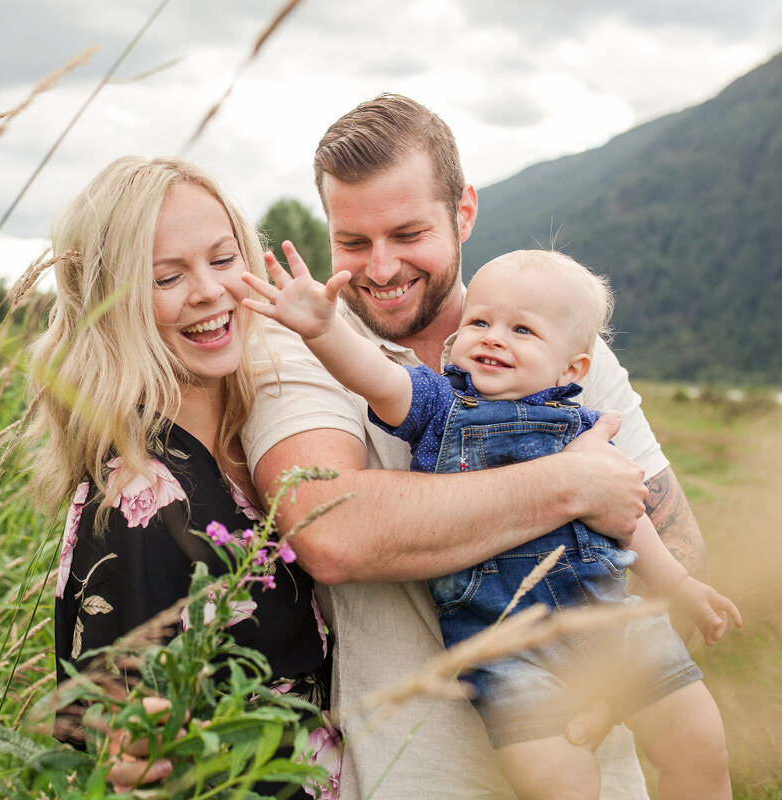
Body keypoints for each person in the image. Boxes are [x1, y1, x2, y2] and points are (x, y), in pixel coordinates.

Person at [239, 93, 715, 799]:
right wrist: (572, 486)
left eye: (407, 233)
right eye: (353, 241)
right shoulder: (304, 351)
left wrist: (617, 682)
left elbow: (675, 543)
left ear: (463, 212)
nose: (380, 267)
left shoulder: (562, 348)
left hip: (596, 760)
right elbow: (329, 532)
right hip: (416, 776)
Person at [23, 155, 334, 793]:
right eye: (168, 277)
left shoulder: (260, 431)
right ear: (112, 305)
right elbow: (128, 752)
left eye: (223, 260)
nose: (209, 292)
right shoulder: (144, 497)